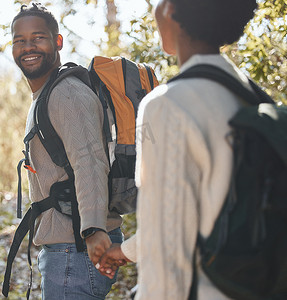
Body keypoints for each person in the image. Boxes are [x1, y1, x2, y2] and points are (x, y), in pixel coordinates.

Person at [97, 0, 258, 299]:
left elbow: (166, 241)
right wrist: (128, 251)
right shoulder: (251, 95)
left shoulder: (167, 105)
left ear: (170, 9)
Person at [11, 3, 122, 299]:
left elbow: (90, 162)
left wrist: (93, 229)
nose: (28, 47)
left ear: (57, 42)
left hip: (75, 251)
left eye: (38, 37)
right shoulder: (47, 93)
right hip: (66, 250)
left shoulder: (67, 94)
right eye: (19, 40)